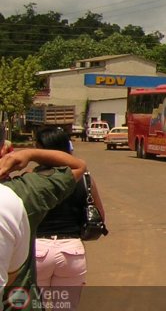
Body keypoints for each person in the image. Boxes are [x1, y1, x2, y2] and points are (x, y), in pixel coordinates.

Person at [0, 137, 86, 310]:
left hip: (43, 253)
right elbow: (78, 166)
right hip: (70, 252)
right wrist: (29, 154)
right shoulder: (24, 192)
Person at [34, 127, 105, 310]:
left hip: (38, 251)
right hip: (72, 252)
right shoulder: (84, 178)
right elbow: (99, 214)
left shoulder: (31, 180)